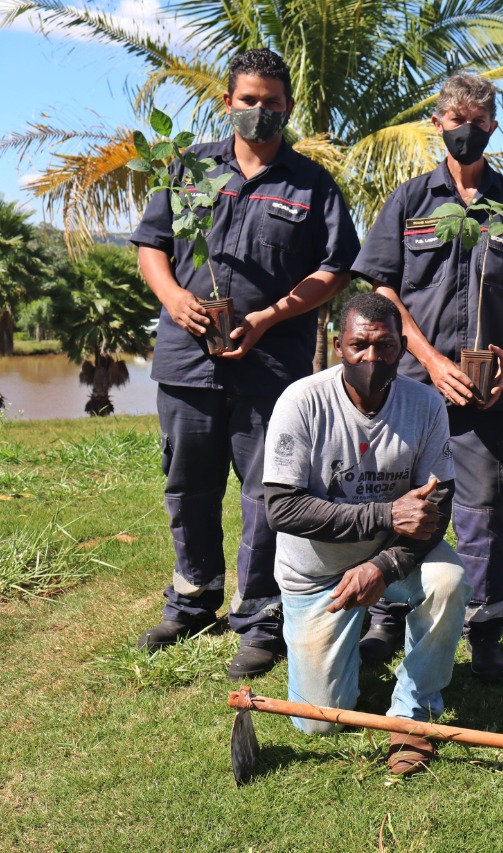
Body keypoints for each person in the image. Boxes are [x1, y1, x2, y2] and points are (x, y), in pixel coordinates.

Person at [131, 48, 360, 679]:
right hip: (186, 360)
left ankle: (260, 618)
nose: (260, 112)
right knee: (188, 483)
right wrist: (176, 298)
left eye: (272, 103)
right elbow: (152, 245)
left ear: (289, 107)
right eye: (248, 100)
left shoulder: (312, 185)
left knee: (267, 494)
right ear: (227, 102)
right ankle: (192, 597)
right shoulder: (188, 169)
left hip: (270, 366)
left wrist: (270, 317)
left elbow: (336, 267)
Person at [352, 74, 503, 680]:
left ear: (493, 125)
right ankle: (388, 614)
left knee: (484, 505)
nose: (467, 129)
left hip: (485, 389)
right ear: (437, 124)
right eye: (455, 118)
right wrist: (431, 360)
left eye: (479, 119)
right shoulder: (410, 201)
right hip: (409, 382)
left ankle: (486, 627)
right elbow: (383, 286)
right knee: (400, 497)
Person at [263, 293, 468, 777]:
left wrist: (382, 566)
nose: (371, 359)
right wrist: (385, 515)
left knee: (449, 580)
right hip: (315, 574)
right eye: (359, 346)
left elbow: (437, 504)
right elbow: (281, 507)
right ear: (339, 345)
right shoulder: (302, 400)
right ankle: (344, 644)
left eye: (385, 347)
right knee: (318, 724)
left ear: (401, 348)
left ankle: (413, 713)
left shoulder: (425, 405)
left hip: (394, 560)